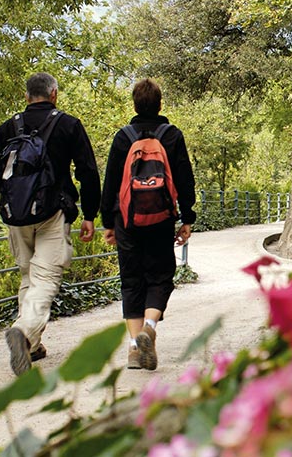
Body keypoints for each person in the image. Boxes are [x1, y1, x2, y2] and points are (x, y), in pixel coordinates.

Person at [0, 72, 101, 376]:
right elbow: (87, 171)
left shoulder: (9, 127)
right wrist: (89, 214)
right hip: (52, 212)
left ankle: (32, 347)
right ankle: (23, 330)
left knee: (28, 275)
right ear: (54, 94)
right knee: (45, 278)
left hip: (15, 215)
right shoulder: (68, 124)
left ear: (26, 96)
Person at [101, 78, 196, 371]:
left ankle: (133, 350)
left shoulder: (123, 137)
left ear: (134, 104)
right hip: (161, 219)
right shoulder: (172, 135)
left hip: (127, 220)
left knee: (131, 281)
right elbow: (184, 178)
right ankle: (149, 328)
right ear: (160, 104)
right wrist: (187, 217)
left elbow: (111, 183)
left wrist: (108, 222)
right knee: (161, 277)